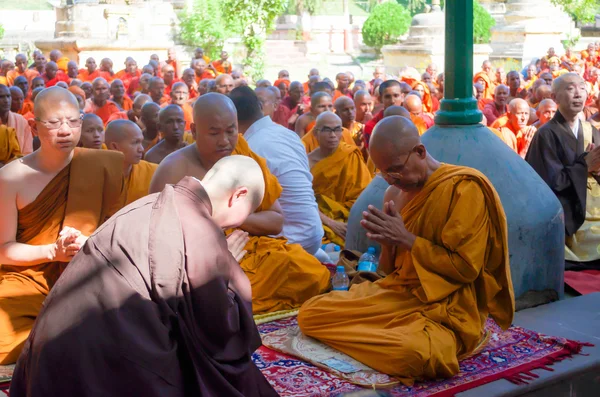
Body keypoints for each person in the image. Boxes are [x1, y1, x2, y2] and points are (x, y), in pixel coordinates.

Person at [10, 154, 280, 396]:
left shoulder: (153, 203)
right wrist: (228, 272)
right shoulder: (201, 233)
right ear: (239, 195)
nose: (241, 223)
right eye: (248, 212)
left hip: (43, 368)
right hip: (98, 374)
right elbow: (220, 332)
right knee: (233, 378)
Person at [298, 115, 514, 382]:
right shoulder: (394, 194)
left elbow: (466, 269)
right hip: (399, 295)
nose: (391, 179)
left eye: (396, 169)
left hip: (445, 305)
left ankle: (391, 337)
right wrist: (388, 242)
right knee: (311, 314)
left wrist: (406, 239)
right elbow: (390, 273)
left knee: (412, 354)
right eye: (384, 172)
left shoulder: (464, 189)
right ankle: (385, 335)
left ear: (420, 152)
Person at [150, 93, 330, 312]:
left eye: (231, 130)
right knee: (207, 295)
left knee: (309, 271)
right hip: (199, 261)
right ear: (195, 131)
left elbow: (275, 222)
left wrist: (230, 217)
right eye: (214, 133)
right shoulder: (173, 169)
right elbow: (156, 238)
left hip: (248, 251)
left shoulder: (244, 158)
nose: (225, 141)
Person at [0, 87, 125, 364]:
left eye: (73, 121)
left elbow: (120, 233)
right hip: (27, 278)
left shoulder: (102, 166)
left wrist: (90, 242)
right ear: (33, 126)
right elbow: (3, 249)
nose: (65, 130)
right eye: (54, 123)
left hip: (88, 276)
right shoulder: (11, 178)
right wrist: (52, 253)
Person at [526, 73, 600, 267]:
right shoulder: (545, 134)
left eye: (582, 88)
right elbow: (551, 182)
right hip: (569, 210)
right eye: (570, 88)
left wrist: (597, 169)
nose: (578, 94)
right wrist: (585, 167)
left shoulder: (590, 130)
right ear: (555, 97)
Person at [308, 112, 371, 246]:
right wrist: (331, 223)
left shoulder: (350, 155)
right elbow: (302, 201)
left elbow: (364, 195)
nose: (332, 135)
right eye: (326, 130)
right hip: (319, 218)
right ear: (315, 133)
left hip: (352, 216)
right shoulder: (306, 162)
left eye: (337, 129)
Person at [105, 119, 157, 205]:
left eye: (141, 142)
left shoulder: (153, 171)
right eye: (135, 143)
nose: (141, 149)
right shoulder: (98, 175)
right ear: (114, 146)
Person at [363, 80, 405, 148]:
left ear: (402, 97)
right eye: (387, 97)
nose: (392, 101)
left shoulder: (413, 122)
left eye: (396, 96)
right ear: (380, 99)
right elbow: (372, 155)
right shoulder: (372, 126)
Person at [0, 85, 33, 155]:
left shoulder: (21, 121)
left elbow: (28, 152)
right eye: (1, 97)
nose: (6, 100)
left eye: (8, 96)